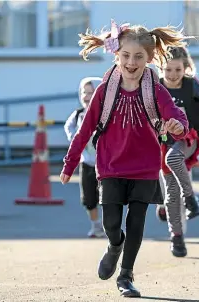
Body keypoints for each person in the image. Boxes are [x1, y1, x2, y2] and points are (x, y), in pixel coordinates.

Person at [59, 19, 189, 297]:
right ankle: (114, 246)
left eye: (138, 57)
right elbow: (84, 130)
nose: (131, 62)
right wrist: (70, 163)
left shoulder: (154, 90)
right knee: (112, 224)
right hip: (110, 167)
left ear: (150, 58)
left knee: (137, 222)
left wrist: (179, 125)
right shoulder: (105, 91)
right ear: (116, 55)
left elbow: (175, 114)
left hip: (144, 167)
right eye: (126, 55)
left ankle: (126, 275)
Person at [157, 46, 199, 257]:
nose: (172, 75)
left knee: (173, 157)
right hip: (163, 143)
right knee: (170, 194)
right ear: (161, 68)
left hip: (188, 140)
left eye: (178, 70)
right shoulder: (156, 87)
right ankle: (177, 238)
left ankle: (190, 198)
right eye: (168, 70)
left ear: (186, 68)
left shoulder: (191, 86)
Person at [64, 77, 105, 238]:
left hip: (107, 165)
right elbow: (69, 126)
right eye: (84, 93)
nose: (87, 97)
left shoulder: (106, 114)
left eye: (91, 93)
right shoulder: (79, 114)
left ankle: (110, 225)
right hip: (87, 163)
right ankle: (96, 226)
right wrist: (75, 137)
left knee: (109, 197)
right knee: (88, 198)